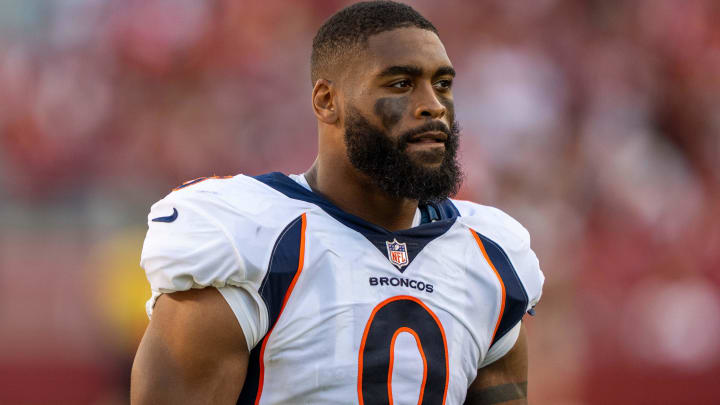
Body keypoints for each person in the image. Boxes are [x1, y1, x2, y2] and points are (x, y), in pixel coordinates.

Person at [130, 1, 544, 404]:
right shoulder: (250, 238)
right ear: (327, 101)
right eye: (401, 83)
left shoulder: (489, 258)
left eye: (442, 84)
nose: (433, 106)